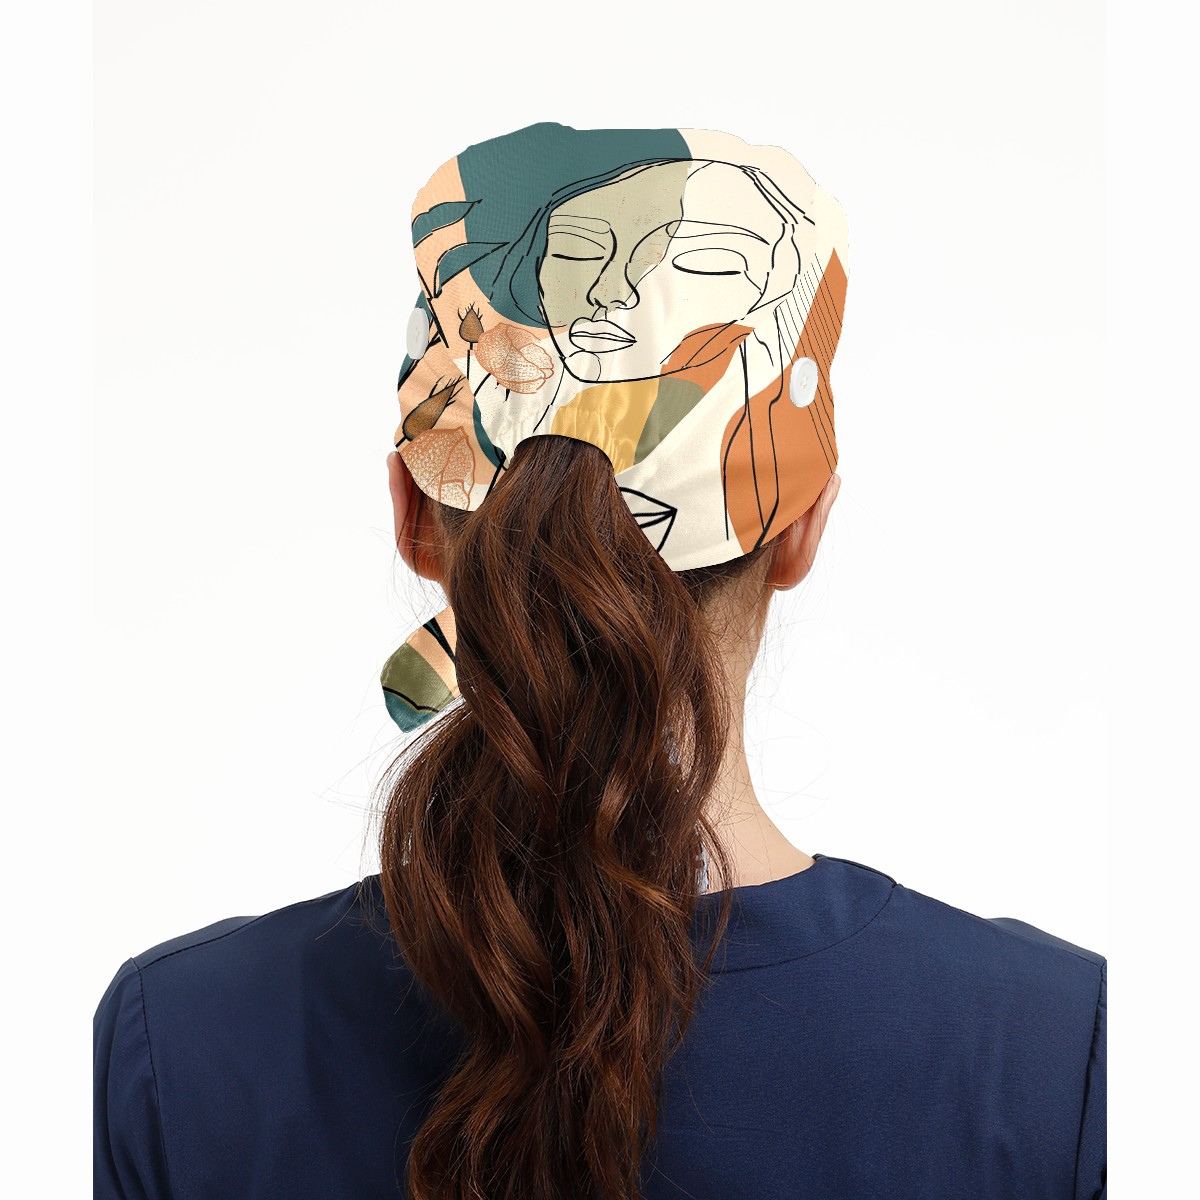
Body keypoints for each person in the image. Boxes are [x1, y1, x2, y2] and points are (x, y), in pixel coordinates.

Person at [94, 122, 1106, 1200]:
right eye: (583, 254)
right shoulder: (1059, 1051)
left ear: (414, 515)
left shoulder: (178, 1045)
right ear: (801, 528)